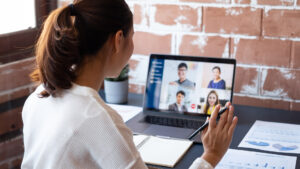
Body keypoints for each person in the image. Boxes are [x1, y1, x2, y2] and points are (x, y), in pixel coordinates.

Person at [21, 0, 238, 168]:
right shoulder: (95, 118)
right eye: (131, 36)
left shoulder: (39, 96)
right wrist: (212, 155)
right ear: (118, 39)